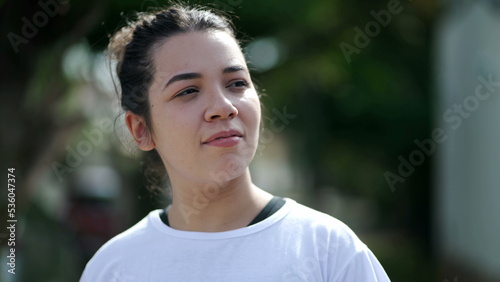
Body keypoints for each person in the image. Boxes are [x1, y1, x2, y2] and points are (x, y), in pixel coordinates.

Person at [80, 4, 390, 281]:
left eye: (237, 83)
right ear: (141, 129)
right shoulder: (114, 267)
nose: (224, 106)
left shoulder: (329, 252)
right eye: (188, 91)